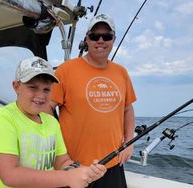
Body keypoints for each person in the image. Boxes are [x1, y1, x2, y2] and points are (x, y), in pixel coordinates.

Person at [0, 56, 106, 188]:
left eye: (46, 89)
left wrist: (85, 171)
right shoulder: (2, 118)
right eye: (33, 87)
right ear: (16, 86)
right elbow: (10, 176)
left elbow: (62, 162)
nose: (41, 95)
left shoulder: (51, 122)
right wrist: (68, 177)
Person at [48, 14, 137, 188]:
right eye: (95, 36)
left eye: (107, 36)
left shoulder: (122, 72)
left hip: (112, 164)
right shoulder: (65, 70)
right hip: (74, 166)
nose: (101, 40)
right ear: (87, 39)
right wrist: (61, 156)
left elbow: (128, 109)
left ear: (114, 39)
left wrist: (128, 143)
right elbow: (47, 109)